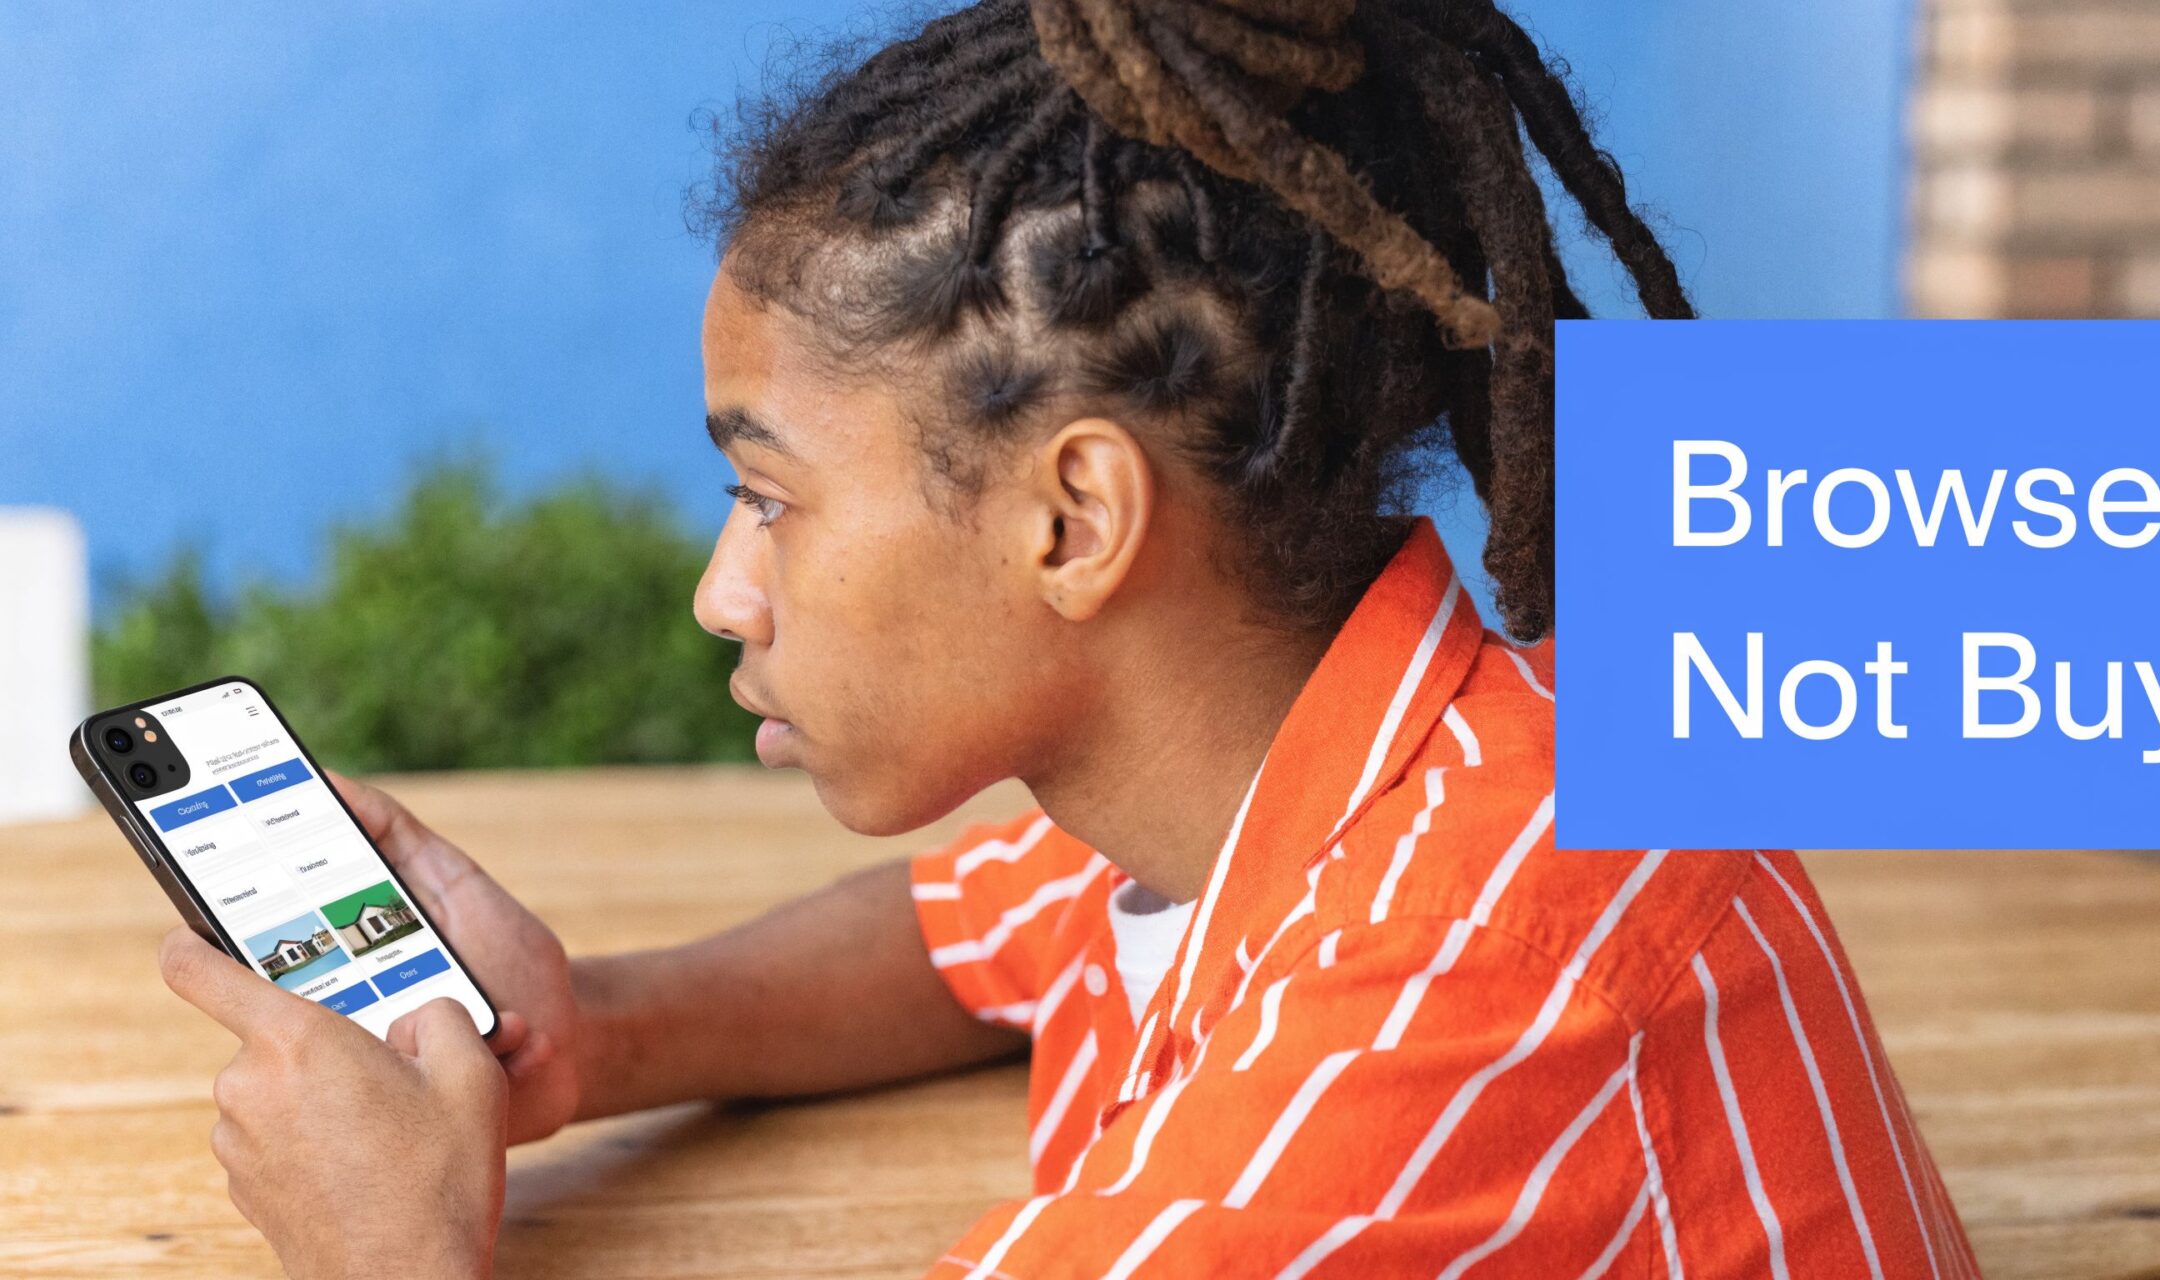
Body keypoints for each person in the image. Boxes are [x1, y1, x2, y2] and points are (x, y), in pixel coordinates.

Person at [157, 1, 1983, 1275]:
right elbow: (971, 942)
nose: (726, 587)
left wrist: (383, 1252)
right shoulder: (1358, 769)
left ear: (1071, 518)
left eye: (773, 496)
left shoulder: (1456, 1007)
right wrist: (590, 1032)